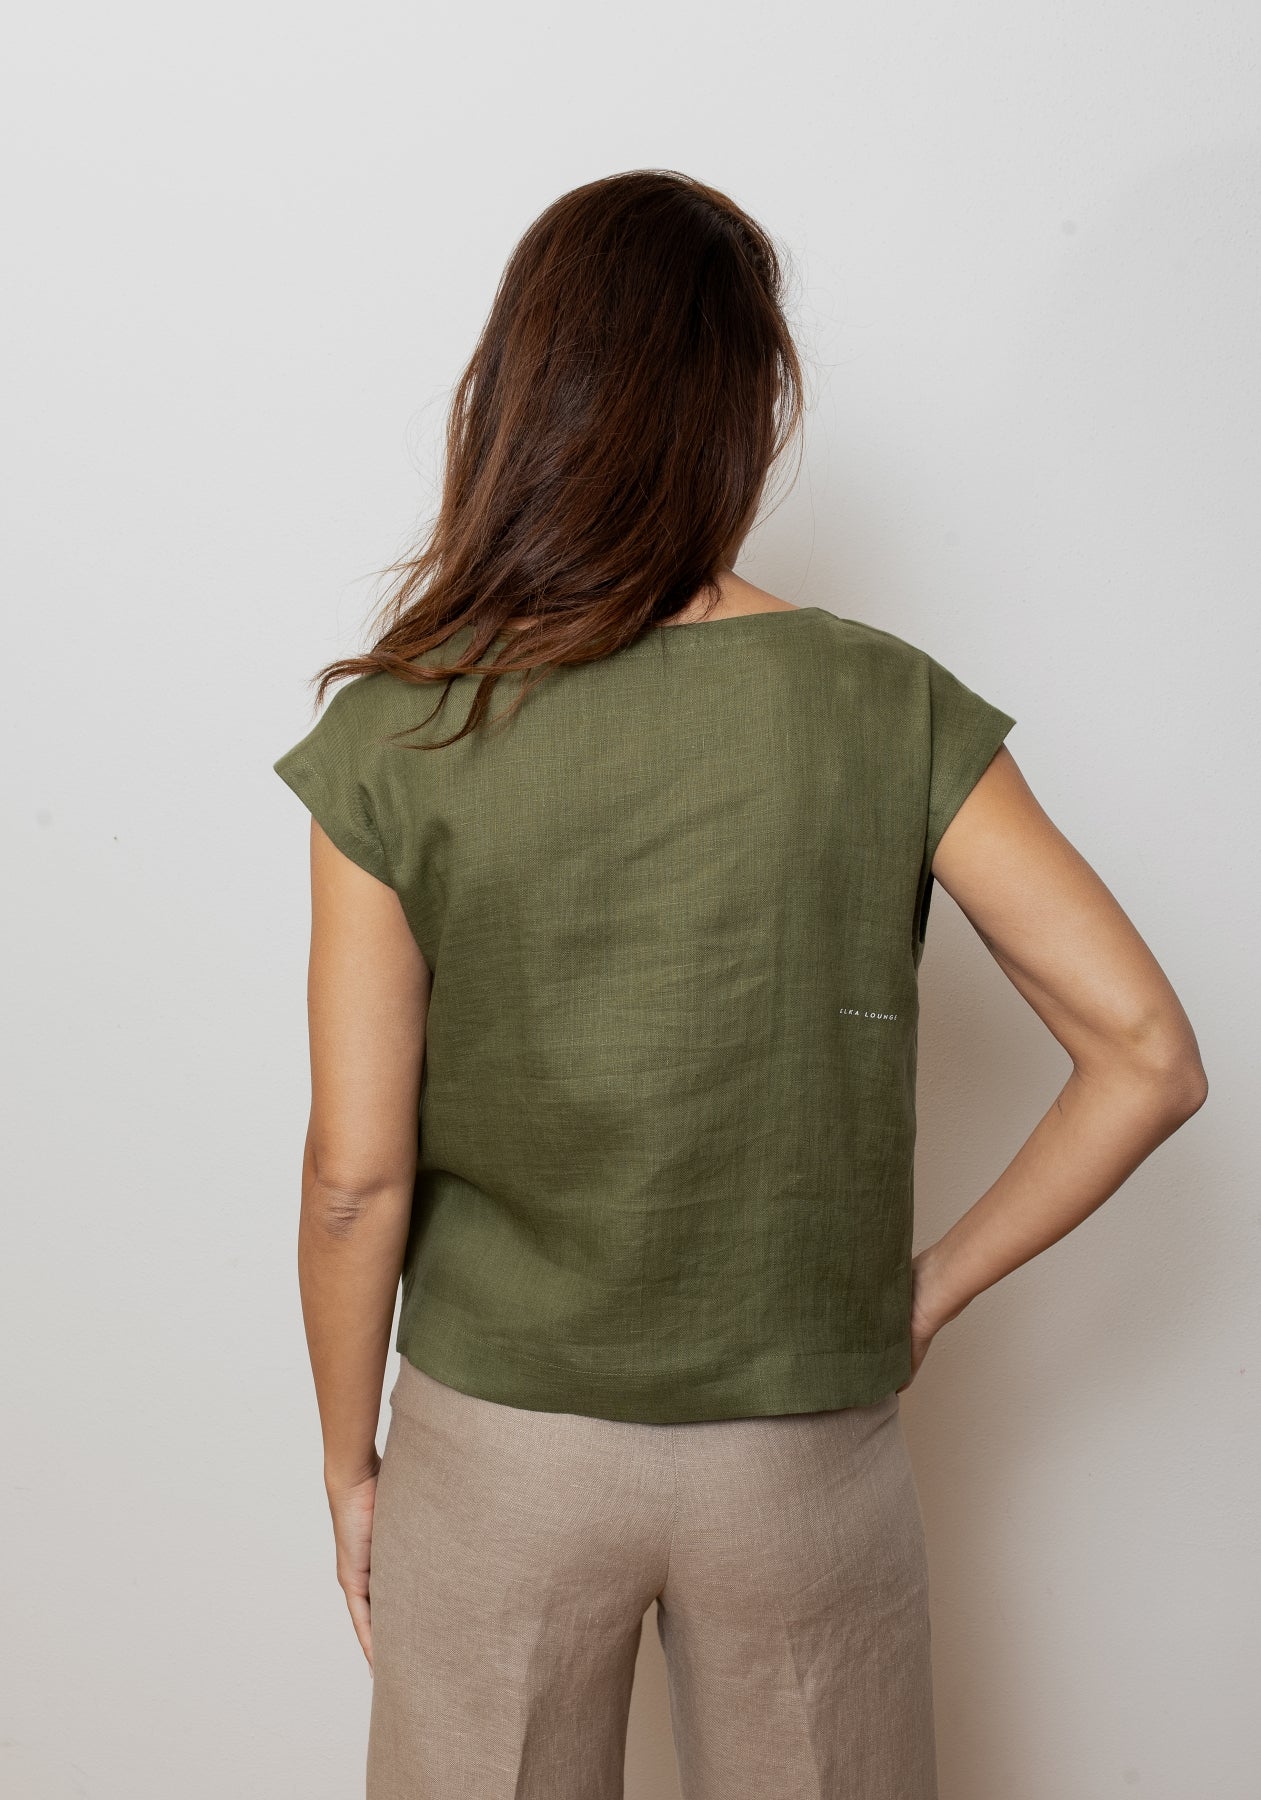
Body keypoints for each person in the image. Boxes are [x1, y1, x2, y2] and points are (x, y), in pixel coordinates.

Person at [272, 170, 1209, 1800]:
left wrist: (351, 1464)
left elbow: (355, 1179)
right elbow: (1144, 1051)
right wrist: (920, 1293)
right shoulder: (881, 702)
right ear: (745, 407)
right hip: (802, 1463)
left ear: (518, 392)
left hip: (498, 1454)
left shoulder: (402, 729)